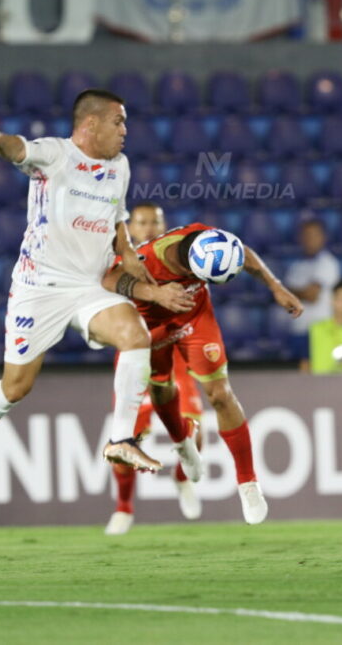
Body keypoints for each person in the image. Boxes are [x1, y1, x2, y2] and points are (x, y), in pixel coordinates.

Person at [0, 89, 197, 492]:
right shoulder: (55, 155)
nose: (125, 130)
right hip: (40, 287)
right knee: (16, 388)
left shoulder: (120, 166)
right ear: (91, 124)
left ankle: (121, 439)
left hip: (89, 286)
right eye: (118, 122)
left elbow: (117, 221)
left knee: (135, 335)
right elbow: (18, 151)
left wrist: (129, 253)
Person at [102, 223, 303, 524]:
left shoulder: (207, 236)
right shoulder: (148, 259)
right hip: (150, 327)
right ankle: (183, 443)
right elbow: (109, 278)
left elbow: (243, 253)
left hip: (194, 319)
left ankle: (248, 483)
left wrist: (276, 286)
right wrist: (154, 293)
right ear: (191, 266)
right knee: (161, 389)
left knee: (221, 394)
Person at [105, 202, 207, 535]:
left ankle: (182, 480)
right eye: (142, 222)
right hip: (137, 355)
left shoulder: (180, 261)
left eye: (155, 222)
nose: (149, 227)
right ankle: (123, 508)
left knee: (195, 428)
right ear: (130, 229)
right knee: (125, 438)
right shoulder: (118, 266)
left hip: (174, 353)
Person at [284, 218, 341, 372]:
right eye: (306, 236)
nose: (309, 240)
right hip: (296, 331)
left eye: (314, 235)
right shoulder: (296, 266)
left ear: (323, 238)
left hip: (319, 332)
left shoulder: (328, 263)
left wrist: (293, 292)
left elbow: (311, 296)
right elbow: (284, 298)